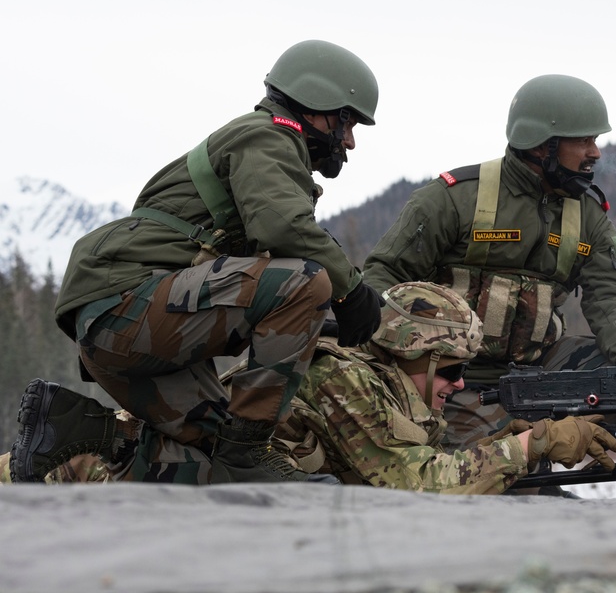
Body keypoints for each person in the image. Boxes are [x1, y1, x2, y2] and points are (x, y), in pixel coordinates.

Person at [11, 40, 385, 485]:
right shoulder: (266, 135)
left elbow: (252, 282)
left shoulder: (264, 153)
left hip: (124, 325)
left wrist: (314, 324)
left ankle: (80, 428)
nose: (349, 141)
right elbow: (285, 231)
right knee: (309, 281)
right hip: (125, 308)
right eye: (347, 121)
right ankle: (248, 452)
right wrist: (350, 290)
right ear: (314, 101)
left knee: (215, 459)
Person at [7, 282, 616, 493]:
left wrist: (509, 444)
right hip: (115, 476)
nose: (458, 387)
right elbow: (413, 484)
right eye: (451, 370)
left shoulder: (380, 388)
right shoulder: (345, 379)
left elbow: (418, 460)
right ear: (413, 354)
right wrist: (531, 447)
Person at [362, 74, 616, 448]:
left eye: (594, 140)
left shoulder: (588, 218)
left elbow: (612, 294)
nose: (595, 152)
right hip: (450, 376)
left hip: (538, 374)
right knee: (474, 469)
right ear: (543, 144)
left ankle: (552, 446)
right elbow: (384, 276)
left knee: (615, 373)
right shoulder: (454, 200)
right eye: (583, 140)